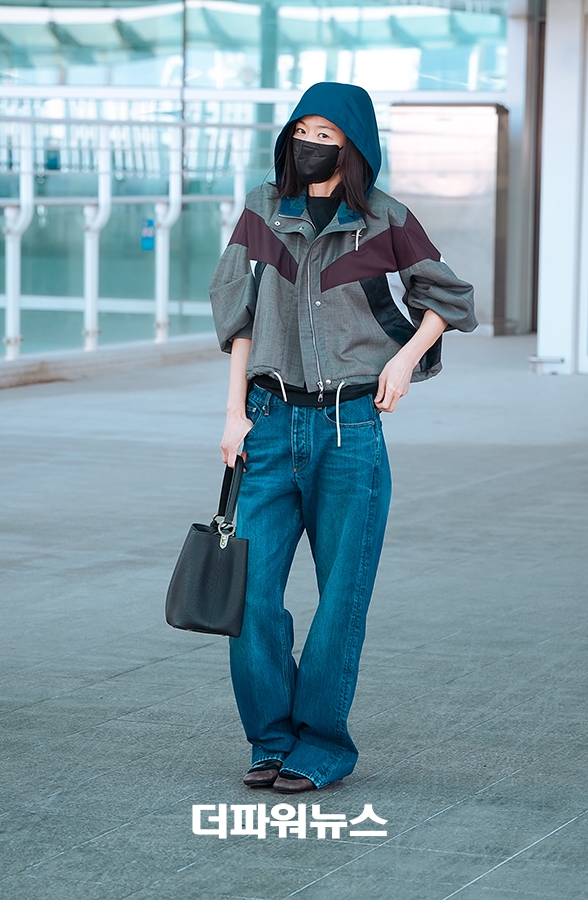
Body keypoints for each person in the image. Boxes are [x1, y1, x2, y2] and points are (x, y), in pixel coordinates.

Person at [209, 82, 477, 793]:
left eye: (328, 133)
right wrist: (233, 413)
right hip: (266, 425)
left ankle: (320, 746)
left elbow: (448, 300)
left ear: (353, 144)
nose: (312, 142)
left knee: (341, 599)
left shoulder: (385, 220)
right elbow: (237, 316)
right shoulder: (263, 210)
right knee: (252, 598)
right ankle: (270, 740)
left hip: (349, 429)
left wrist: (403, 357)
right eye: (304, 128)